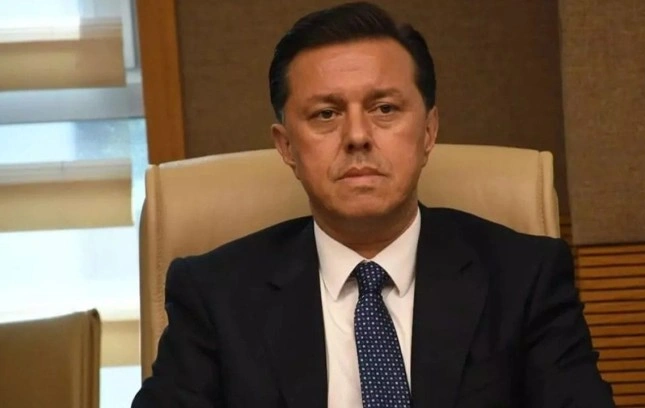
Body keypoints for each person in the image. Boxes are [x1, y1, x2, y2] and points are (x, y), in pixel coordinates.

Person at [132, 2, 615, 407]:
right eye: (326, 114)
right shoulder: (216, 295)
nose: (358, 136)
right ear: (286, 147)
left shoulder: (524, 278)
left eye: (385, 109)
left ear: (428, 131)